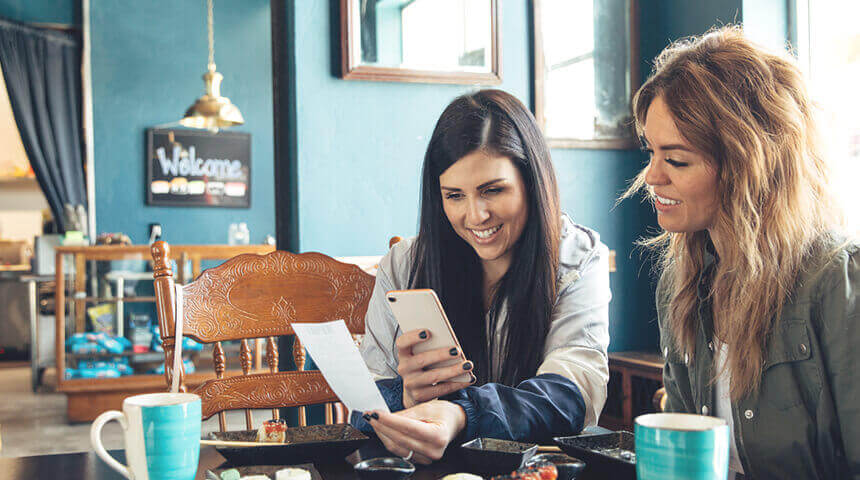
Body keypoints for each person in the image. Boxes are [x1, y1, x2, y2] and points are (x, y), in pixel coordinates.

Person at [621, 26, 858, 479]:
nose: (651, 176)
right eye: (651, 152)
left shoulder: (837, 282)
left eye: (676, 160)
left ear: (746, 165)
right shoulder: (680, 282)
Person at [353, 89, 611, 464]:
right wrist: (405, 399)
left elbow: (572, 395)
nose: (475, 216)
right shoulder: (404, 263)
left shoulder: (577, 258)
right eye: (454, 195)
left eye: (493, 190)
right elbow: (364, 410)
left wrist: (462, 413)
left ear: (531, 182)